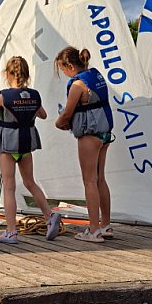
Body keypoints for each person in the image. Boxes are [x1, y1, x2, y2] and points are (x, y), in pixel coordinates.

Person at [0, 56, 61, 244]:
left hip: (9, 144)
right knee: (30, 182)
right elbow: (43, 115)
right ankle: (49, 216)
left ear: (7, 74)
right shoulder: (34, 95)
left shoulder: (4, 96)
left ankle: (10, 232)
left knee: (9, 187)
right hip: (26, 143)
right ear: (26, 74)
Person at [54, 46, 114, 243]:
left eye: (63, 70)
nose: (63, 74)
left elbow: (67, 114)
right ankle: (105, 225)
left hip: (90, 135)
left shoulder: (77, 86)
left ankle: (94, 230)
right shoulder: (96, 77)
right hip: (105, 134)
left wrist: (59, 123)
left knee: (89, 181)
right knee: (100, 179)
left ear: (70, 66)